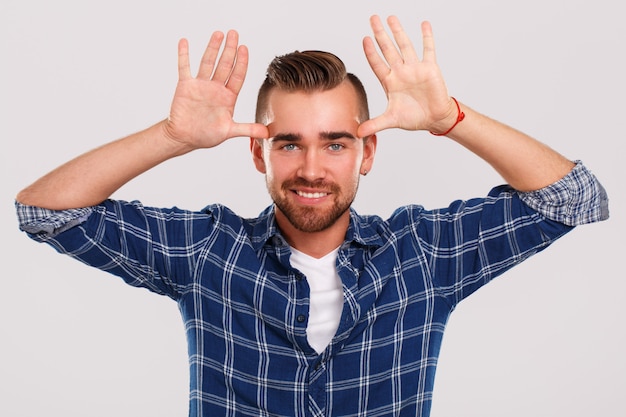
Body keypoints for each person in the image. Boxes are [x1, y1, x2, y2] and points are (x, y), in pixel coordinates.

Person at [15, 14, 608, 417]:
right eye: (289, 143)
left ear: (366, 153)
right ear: (259, 153)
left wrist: (450, 118)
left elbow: (576, 198)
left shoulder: (423, 255)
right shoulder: (208, 253)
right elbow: (42, 212)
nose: (311, 168)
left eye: (335, 143)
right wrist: (171, 137)